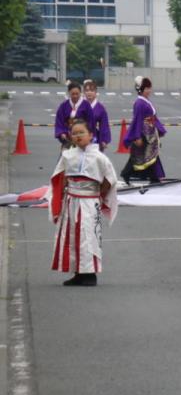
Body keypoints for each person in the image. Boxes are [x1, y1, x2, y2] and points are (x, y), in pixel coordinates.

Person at [50, 118, 118, 286]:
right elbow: (59, 176)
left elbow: (110, 178)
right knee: (71, 236)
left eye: (82, 132)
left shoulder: (99, 157)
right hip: (71, 200)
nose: (78, 136)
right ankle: (77, 272)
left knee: (88, 236)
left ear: (91, 135)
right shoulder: (67, 155)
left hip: (89, 201)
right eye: (74, 133)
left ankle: (89, 274)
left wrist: (100, 193)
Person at [120, 76, 167, 184]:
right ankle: (153, 177)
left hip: (150, 133)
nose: (149, 90)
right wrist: (137, 137)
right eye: (147, 88)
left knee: (147, 155)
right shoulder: (139, 103)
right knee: (147, 155)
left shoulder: (145, 101)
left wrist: (159, 130)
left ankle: (153, 177)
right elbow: (137, 120)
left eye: (149, 88)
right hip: (144, 134)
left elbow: (153, 117)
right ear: (141, 89)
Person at [54, 81, 93, 149]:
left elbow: (91, 122)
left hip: (82, 136)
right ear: (69, 93)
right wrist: (61, 133)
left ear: (80, 93)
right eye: (73, 94)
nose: (75, 96)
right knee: (66, 158)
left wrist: (87, 135)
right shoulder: (63, 106)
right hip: (67, 137)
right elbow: (59, 122)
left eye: (77, 94)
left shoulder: (86, 105)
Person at [82, 80, 110, 151]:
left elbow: (104, 125)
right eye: (87, 90)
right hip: (80, 138)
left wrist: (104, 140)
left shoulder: (100, 108)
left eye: (92, 90)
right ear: (84, 92)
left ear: (96, 92)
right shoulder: (80, 105)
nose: (89, 93)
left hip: (95, 139)